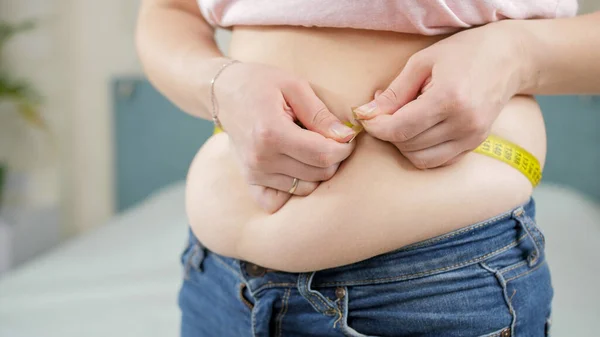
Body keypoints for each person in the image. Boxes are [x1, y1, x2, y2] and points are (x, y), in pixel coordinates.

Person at [136, 0, 599, 335]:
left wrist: (518, 54)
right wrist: (219, 85)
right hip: (215, 284)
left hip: (438, 289)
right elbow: (169, 10)